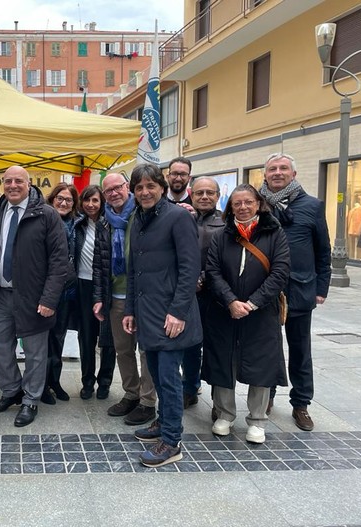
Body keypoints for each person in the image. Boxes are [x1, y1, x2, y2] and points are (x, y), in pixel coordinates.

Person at [122, 163, 201, 468]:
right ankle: (163, 422)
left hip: (171, 315)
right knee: (155, 374)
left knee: (168, 380)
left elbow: (190, 268)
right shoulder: (138, 219)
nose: (144, 192)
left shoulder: (178, 216)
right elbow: (134, 271)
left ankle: (171, 441)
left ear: (162, 188)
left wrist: (178, 312)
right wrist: (130, 309)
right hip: (147, 313)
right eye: (139, 187)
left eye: (150, 186)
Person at [0, 166, 68, 427]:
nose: (13, 185)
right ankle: (11, 390)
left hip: (34, 296)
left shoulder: (47, 215)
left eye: (19, 181)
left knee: (35, 352)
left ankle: (30, 400)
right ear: (2, 184)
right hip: (2, 294)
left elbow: (59, 261)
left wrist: (49, 299)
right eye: (8, 181)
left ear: (29, 184)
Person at [204, 184, 290, 445]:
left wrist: (252, 303)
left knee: (261, 364)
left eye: (248, 202)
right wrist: (230, 300)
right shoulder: (222, 234)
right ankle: (225, 414)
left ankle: (257, 419)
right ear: (230, 207)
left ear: (258, 204)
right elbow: (213, 271)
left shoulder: (274, 232)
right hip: (225, 310)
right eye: (237, 203)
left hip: (262, 311)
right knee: (223, 360)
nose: (242, 207)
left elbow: (280, 272)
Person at [260, 153, 331, 431]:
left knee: (301, 350)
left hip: (300, 290)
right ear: (265, 175)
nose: (277, 173)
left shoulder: (312, 206)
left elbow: (323, 250)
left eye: (283, 168)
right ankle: (267, 396)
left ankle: (301, 404)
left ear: (294, 174)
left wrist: (321, 287)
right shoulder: (257, 203)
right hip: (265, 291)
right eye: (272, 169)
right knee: (268, 348)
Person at [93, 173, 156, 426]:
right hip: (116, 296)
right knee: (123, 349)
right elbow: (99, 263)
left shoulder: (144, 213)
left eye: (117, 188)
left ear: (127, 187)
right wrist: (98, 297)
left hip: (143, 295)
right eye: (108, 191)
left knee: (146, 351)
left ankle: (148, 401)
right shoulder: (104, 221)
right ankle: (131, 393)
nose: (113, 193)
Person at [183, 177, 225, 410]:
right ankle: (189, 388)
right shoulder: (183, 219)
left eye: (210, 193)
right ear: (192, 194)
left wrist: (205, 278)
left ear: (218, 196)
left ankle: (219, 401)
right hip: (189, 295)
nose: (205, 197)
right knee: (190, 346)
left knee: (217, 347)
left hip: (216, 295)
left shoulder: (226, 223)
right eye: (199, 193)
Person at [75, 185, 116, 400]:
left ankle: (105, 381)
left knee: (108, 338)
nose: (91, 205)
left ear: (102, 203)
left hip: (107, 286)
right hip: (83, 285)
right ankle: (87, 381)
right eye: (87, 200)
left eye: (95, 201)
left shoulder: (111, 224)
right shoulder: (78, 224)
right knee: (86, 336)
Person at [41, 183, 80, 404]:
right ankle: (42, 384)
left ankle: (54, 380)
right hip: (46, 290)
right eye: (60, 198)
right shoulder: (43, 221)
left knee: (59, 337)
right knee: (43, 339)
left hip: (68, 290)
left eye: (68, 200)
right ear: (52, 199)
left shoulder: (76, 223)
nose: (64, 203)